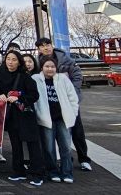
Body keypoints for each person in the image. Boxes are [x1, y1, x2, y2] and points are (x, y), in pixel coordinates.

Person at [36, 37, 91, 171]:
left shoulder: (65, 59)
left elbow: (77, 75)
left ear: (52, 45)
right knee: (55, 134)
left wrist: (72, 92)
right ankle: (65, 160)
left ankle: (84, 159)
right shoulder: (38, 63)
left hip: (68, 102)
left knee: (77, 131)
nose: (45, 48)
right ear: (39, 49)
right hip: (51, 103)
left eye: (47, 44)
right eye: (42, 46)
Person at [0, 49, 45, 186]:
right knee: (15, 145)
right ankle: (18, 171)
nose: (10, 62)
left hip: (25, 115)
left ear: (19, 62)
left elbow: (34, 95)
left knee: (32, 144)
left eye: (14, 60)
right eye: (8, 59)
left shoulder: (25, 77)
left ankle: (38, 173)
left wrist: (19, 98)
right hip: (11, 116)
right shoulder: (0, 76)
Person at [33, 56, 80, 184]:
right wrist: (38, 115)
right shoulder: (36, 79)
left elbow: (73, 98)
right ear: (42, 67)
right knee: (49, 148)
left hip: (63, 119)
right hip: (46, 119)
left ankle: (67, 173)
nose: (50, 69)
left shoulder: (63, 79)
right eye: (47, 66)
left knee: (66, 148)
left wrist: (73, 114)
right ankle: (52, 172)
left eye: (52, 66)